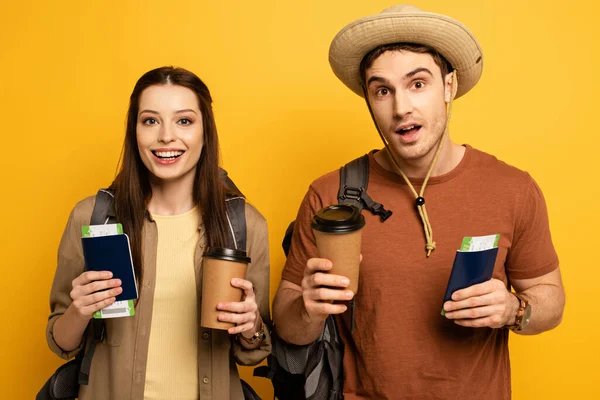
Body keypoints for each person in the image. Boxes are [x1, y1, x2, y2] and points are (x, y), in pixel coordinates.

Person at [273, 5, 565, 399]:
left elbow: (551, 300)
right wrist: (307, 307)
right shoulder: (330, 195)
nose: (401, 107)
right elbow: (289, 326)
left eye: (417, 84)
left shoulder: (513, 188)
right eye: (382, 90)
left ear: (448, 87)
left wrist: (515, 310)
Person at [45, 66, 271, 399]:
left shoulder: (246, 225)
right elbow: (60, 341)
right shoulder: (92, 217)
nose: (166, 136)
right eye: (150, 120)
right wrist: (79, 311)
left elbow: (252, 353)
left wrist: (250, 326)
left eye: (184, 121)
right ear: (134, 132)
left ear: (205, 132)